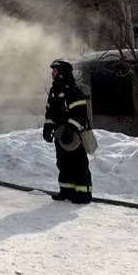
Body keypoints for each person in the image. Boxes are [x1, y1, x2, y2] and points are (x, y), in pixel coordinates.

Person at [43, 59, 93, 204]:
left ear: (62, 73)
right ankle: (67, 190)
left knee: (78, 164)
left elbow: (79, 114)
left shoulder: (73, 92)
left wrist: (70, 131)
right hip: (60, 134)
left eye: (55, 70)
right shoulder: (54, 91)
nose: (52, 73)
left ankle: (83, 194)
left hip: (74, 136)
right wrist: (48, 128)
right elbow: (50, 113)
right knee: (63, 163)